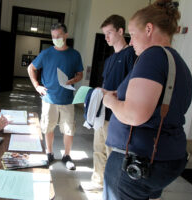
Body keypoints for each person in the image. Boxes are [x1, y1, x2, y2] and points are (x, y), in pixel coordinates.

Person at [102, 1, 192, 199]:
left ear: (149, 29)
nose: (131, 42)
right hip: (166, 155)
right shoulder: (178, 62)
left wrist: (110, 102)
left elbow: (134, 115)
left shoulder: (152, 56)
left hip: (138, 159)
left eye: (133, 34)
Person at [80, 15, 137, 192]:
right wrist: (101, 91)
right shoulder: (110, 59)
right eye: (104, 34)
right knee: (98, 148)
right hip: (102, 112)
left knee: (112, 153)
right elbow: (108, 84)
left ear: (121, 31)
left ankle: (112, 187)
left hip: (117, 114)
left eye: (109, 33)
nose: (106, 37)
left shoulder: (131, 55)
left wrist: (111, 93)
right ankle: (97, 181)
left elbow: (132, 86)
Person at [27, 23, 84, 170]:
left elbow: (80, 74)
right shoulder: (46, 54)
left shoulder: (74, 55)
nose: (55, 39)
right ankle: (49, 153)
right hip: (49, 99)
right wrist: (37, 85)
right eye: (53, 37)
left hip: (67, 99)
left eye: (58, 36)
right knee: (48, 127)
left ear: (66, 35)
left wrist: (74, 80)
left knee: (69, 129)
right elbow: (31, 68)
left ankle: (66, 155)